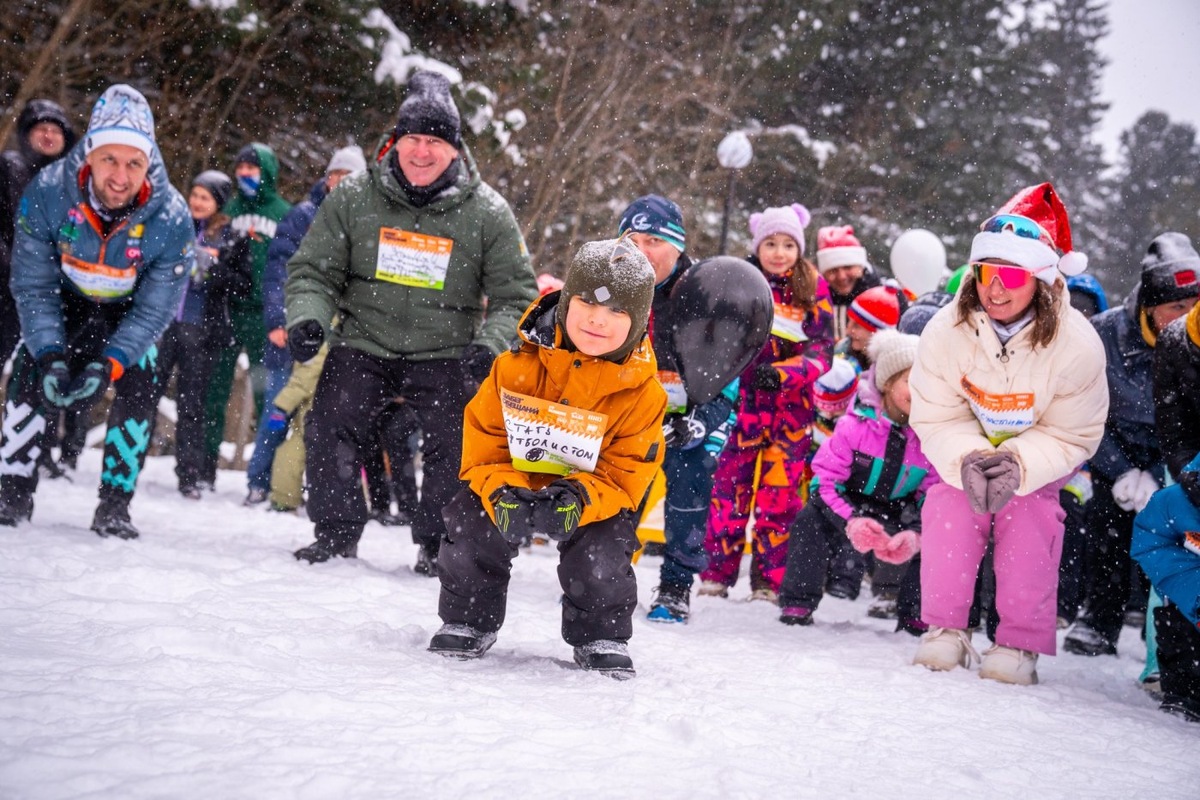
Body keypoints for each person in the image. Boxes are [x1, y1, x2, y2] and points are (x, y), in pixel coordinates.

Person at [285, 70, 536, 570]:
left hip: (446, 350)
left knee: (460, 437)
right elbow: (313, 270)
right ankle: (336, 533)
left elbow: (517, 296)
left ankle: (437, 542)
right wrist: (308, 318)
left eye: (435, 143)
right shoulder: (354, 196)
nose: (422, 152)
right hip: (364, 340)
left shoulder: (488, 212)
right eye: (413, 140)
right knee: (330, 419)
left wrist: (491, 344)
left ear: (455, 151)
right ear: (395, 142)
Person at [430, 237, 665, 677]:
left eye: (617, 311)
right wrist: (501, 490)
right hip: (510, 482)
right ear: (564, 302)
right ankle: (467, 618)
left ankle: (601, 632)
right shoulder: (515, 365)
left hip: (587, 496)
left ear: (637, 321)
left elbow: (628, 472)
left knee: (603, 549)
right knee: (468, 520)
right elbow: (484, 443)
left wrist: (579, 497)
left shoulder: (643, 394)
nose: (598, 320)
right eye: (587, 304)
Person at [908, 183, 1108, 686]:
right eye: (986, 274)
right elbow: (934, 414)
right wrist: (967, 457)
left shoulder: (1077, 344)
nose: (994, 289)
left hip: (1034, 458)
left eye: (1011, 276)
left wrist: (1020, 462)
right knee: (948, 507)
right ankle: (945, 629)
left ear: (1039, 279)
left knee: (1031, 519)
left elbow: (1074, 431)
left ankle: (1018, 640)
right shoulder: (945, 331)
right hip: (966, 451)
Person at [0, 84, 193, 536]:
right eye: (109, 159)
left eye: (133, 163)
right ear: (89, 155)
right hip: (63, 301)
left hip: (126, 313)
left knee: (142, 375)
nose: (120, 177)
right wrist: (50, 352)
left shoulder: (172, 217)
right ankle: (12, 490)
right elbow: (32, 285)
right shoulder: (47, 192)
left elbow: (155, 308)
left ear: (150, 163)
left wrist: (110, 365)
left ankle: (114, 503)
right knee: (31, 366)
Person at [1064, 233, 1200, 657]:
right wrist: (1121, 468)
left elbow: (1186, 419)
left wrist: (1166, 471)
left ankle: (1164, 639)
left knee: (1179, 539)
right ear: (1149, 306)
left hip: (1177, 459)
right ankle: (1098, 617)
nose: (1187, 315)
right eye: (1176, 307)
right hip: (1114, 452)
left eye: (1195, 304)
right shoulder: (1103, 337)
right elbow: (1084, 411)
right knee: (1106, 529)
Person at [699, 204, 834, 603]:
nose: (779, 252)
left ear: (800, 248)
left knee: (780, 500)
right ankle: (716, 576)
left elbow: (823, 352)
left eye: (788, 244)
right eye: (771, 243)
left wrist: (783, 373)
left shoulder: (813, 287)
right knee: (729, 494)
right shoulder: (739, 281)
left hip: (790, 414)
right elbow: (716, 341)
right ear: (757, 246)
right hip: (741, 409)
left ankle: (769, 581)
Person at [614, 194, 736, 624]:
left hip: (694, 409)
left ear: (678, 247)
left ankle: (676, 584)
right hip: (632, 411)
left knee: (690, 479)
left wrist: (700, 422)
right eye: (632, 240)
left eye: (653, 241)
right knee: (616, 490)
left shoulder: (707, 293)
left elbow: (730, 374)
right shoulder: (612, 287)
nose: (643, 252)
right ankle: (606, 571)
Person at [778, 329, 936, 630]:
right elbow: (822, 484)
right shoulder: (855, 427)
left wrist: (916, 532)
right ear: (887, 383)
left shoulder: (930, 436)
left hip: (898, 510)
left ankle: (917, 612)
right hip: (849, 505)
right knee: (809, 521)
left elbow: (933, 495)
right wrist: (852, 520)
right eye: (910, 381)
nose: (920, 391)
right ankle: (798, 599)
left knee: (939, 534)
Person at [244, 145, 365, 506]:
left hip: (339, 337)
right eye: (336, 176)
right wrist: (279, 319)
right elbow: (279, 269)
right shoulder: (303, 217)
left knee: (322, 419)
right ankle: (258, 480)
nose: (341, 183)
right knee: (279, 406)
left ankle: (305, 489)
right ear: (327, 179)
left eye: (350, 177)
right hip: (295, 328)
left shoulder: (367, 221)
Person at [154, 169, 251, 498]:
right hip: (165, 326)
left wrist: (216, 269)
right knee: (143, 395)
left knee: (192, 405)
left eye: (204, 197)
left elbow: (243, 285)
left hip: (202, 330)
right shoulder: (174, 226)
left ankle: (190, 474)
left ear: (218, 203)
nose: (197, 202)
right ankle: (129, 463)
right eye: (194, 195)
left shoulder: (232, 237)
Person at [201, 141, 291, 488]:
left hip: (264, 317)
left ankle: (263, 475)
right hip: (226, 311)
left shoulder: (283, 212)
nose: (244, 174)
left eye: (251, 168)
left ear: (266, 170)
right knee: (215, 390)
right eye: (240, 168)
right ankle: (205, 467)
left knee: (269, 395)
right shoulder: (227, 208)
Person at [1, 99, 77, 364]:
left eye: (56, 131)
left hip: (38, 293)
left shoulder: (68, 183)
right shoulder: (8, 166)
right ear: (26, 133)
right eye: (42, 129)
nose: (49, 135)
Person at [1131, 452, 1200, 722]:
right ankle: (1186, 691)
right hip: (1188, 595)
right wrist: (1194, 591)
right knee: (1174, 617)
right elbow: (1151, 544)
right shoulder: (1175, 501)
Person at [814, 225, 882, 340]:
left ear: (861, 267)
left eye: (848, 267)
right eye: (833, 270)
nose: (842, 277)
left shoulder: (883, 298)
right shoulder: (813, 300)